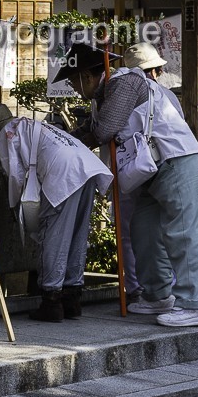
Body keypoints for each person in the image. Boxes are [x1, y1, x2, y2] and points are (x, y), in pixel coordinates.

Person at [0, 102, 112, 322]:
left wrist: (17, 209)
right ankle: (72, 298)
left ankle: (52, 301)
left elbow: (16, 177)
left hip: (63, 173)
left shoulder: (7, 134)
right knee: (77, 234)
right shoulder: (28, 124)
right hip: (86, 167)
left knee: (54, 236)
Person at [118, 43, 198, 327]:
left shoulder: (157, 93)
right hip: (155, 169)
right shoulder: (148, 92)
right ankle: (158, 294)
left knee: (182, 233)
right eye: (153, 70)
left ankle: (194, 304)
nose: (155, 74)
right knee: (143, 227)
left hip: (176, 161)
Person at [56, 41, 145, 299]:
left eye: (74, 82)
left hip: (139, 166)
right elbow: (89, 130)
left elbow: (103, 130)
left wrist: (76, 142)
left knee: (136, 231)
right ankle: (136, 287)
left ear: (86, 76)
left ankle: (140, 289)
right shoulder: (99, 96)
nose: (73, 88)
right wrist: (64, 142)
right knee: (127, 232)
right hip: (126, 169)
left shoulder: (119, 85)